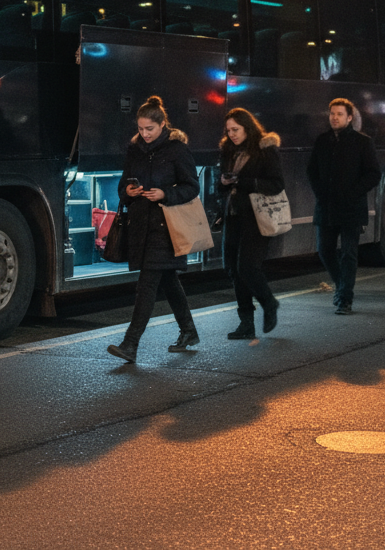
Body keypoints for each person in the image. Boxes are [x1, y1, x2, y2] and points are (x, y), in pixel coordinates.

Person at [107, 96, 201, 362]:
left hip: (166, 227)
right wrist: (128, 190)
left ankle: (130, 344)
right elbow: (123, 183)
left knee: (147, 285)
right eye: (140, 129)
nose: (144, 134)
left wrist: (165, 194)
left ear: (162, 125)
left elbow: (192, 187)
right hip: (141, 226)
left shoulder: (176, 149)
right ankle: (189, 331)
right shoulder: (135, 149)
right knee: (168, 281)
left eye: (150, 129)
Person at [307, 98, 380, 314]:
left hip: (351, 208)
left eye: (339, 114)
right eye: (332, 114)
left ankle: (345, 299)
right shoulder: (322, 141)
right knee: (325, 249)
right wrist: (320, 192)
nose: (335, 118)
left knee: (349, 253)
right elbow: (312, 170)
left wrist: (353, 192)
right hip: (326, 206)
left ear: (349, 118)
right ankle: (341, 286)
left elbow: (373, 174)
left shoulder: (362, 142)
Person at [216, 108, 284, 339]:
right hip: (233, 215)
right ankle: (246, 323)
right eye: (228, 130)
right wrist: (224, 183)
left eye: (236, 129)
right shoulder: (228, 150)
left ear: (248, 127)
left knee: (247, 267)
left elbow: (276, 184)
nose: (232, 134)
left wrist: (242, 181)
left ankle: (269, 303)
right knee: (233, 270)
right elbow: (221, 187)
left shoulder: (265, 150)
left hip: (257, 218)